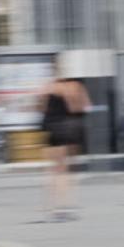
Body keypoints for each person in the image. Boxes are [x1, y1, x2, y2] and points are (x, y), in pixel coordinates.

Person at [40, 74, 90, 221]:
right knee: (68, 171)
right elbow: (79, 107)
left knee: (54, 170)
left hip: (52, 130)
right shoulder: (75, 86)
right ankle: (66, 206)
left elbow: (40, 107)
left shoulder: (48, 87)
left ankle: (52, 207)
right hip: (69, 129)